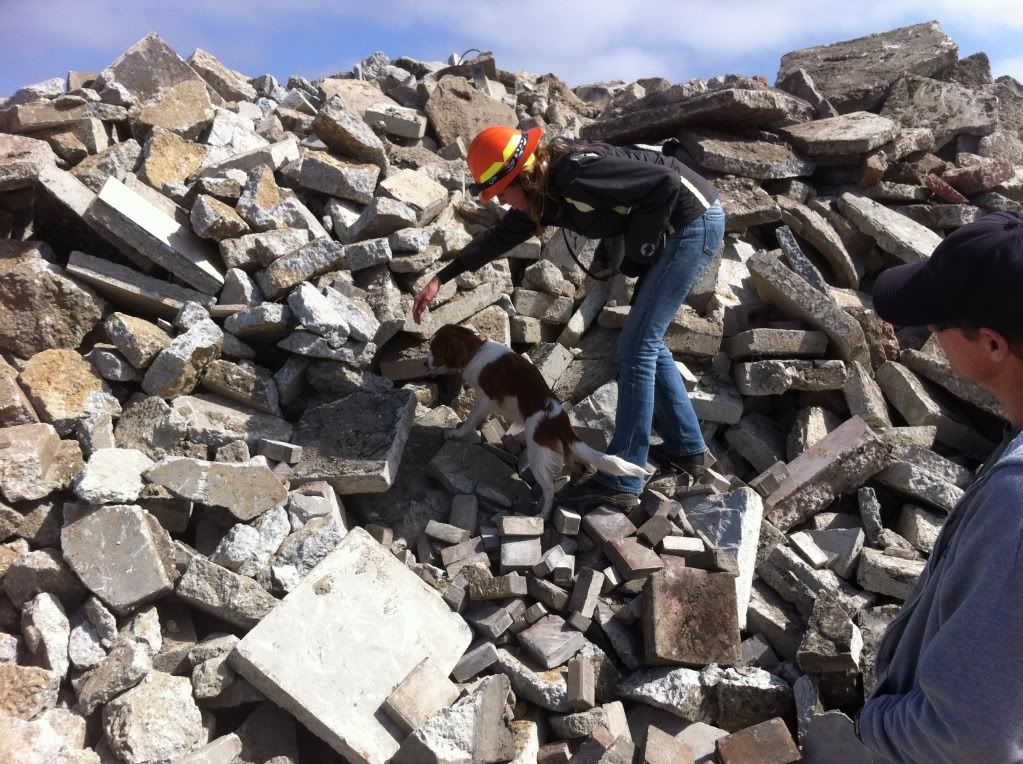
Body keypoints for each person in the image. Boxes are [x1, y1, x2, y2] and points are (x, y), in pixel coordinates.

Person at [413, 125, 725, 510]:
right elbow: (499, 238)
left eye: (503, 193)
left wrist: (639, 250)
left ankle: (622, 481)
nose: (506, 203)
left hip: (692, 225)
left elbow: (666, 181)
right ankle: (687, 449)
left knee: (636, 349)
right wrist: (442, 277)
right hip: (680, 227)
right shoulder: (544, 194)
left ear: (520, 178)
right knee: (645, 341)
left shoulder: (574, 173)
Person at [855, 210, 1023, 762]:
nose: (929, 332)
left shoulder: (1017, 499)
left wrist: (876, 726)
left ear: (994, 346)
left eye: (939, 322)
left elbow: (970, 736)